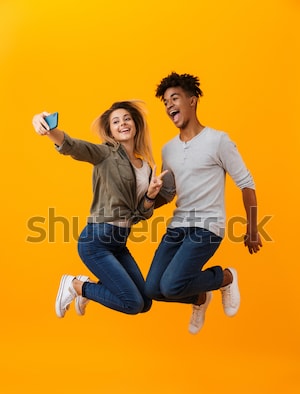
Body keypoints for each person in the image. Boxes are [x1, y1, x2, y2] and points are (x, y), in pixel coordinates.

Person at [145, 72, 262, 334]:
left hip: (207, 227)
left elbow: (246, 184)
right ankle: (199, 297)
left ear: (192, 101)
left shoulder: (218, 140)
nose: (169, 106)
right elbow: (169, 193)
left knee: (172, 284)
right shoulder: (168, 149)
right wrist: (147, 201)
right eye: (165, 102)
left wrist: (253, 230)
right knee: (152, 289)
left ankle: (225, 277)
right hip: (178, 228)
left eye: (174, 98)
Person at [32, 101, 167, 318]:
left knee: (145, 302)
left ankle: (86, 290)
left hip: (119, 242)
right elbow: (73, 146)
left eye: (126, 119)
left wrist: (151, 194)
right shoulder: (105, 154)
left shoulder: (146, 168)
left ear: (135, 125)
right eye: (116, 121)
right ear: (110, 130)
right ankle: (76, 286)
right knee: (132, 303)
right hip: (96, 241)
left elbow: (140, 214)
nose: (122, 123)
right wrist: (47, 127)